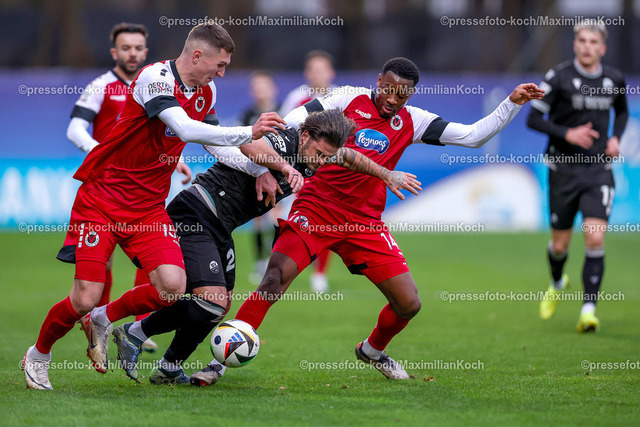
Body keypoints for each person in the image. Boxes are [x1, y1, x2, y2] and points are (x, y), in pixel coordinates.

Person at [205, 57, 544, 382]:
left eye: (402, 94)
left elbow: (473, 136)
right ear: (379, 81)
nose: (393, 99)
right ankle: (220, 360)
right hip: (316, 208)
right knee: (274, 279)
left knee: (408, 303)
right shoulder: (345, 99)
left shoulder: (414, 121)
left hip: (364, 222)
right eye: (388, 89)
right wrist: (268, 164)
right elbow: (293, 122)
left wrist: (511, 103)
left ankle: (372, 350)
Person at [22, 23, 287, 390]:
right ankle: (38, 355)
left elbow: (215, 145)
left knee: (173, 286)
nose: (222, 74)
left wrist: (259, 169)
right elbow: (185, 129)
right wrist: (248, 131)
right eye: (220, 64)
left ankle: (104, 318)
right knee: (84, 297)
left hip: (148, 209)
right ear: (198, 55)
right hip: (102, 200)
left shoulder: (206, 91)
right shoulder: (155, 78)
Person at [110, 108, 421, 385]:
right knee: (208, 300)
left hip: (220, 226)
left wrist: (386, 174)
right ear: (305, 136)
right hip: (197, 212)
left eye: (328, 157)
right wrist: (275, 169)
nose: (322, 162)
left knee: (218, 306)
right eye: (320, 154)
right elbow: (244, 143)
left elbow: (351, 157)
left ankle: (168, 367)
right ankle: (130, 330)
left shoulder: (318, 152)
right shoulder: (284, 142)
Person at [66, 22, 189, 354]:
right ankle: (95, 327)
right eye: (125, 48)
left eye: (137, 48)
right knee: (101, 266)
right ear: (114, 52)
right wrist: (100, 152)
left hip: (145, 187)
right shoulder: (101, 86)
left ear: (145, 51)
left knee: (153, 259)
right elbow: (75, 129)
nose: (132, 53)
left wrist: (174, 159)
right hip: (106, 187)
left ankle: (139, 325)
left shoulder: (157, 85)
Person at [527, 22, 627, 332]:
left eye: (593, 42)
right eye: (582, 40)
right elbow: (533, 118)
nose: (587, 46)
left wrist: (616, 138)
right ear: (575, 44)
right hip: (563, 171)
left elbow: (622, 112)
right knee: (560, 246)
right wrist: (567, 133)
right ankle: (557, 281)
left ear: (602, 48)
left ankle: (588, 309)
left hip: (598, 171)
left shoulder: (614, 79)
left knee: (595, 237)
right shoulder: (558, 77)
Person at [280, 50, 337, 293]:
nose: (318, 74)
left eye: (322, 69)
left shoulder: (341, 98)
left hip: (330, 173)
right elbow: (283, 129)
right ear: (307, 74)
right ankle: (282, 268)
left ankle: (319, 274)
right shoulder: (297, 99)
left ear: (331, 73)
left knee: (327, 223)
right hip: (300, 171)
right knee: (295, 221)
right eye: (314, 70)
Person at [239, 71, 282, 284]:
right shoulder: (247, 115)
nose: (260, 91)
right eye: (256, 87)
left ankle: (275, 264)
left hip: (278, 170)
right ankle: (259, 263)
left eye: (263, 86)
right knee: (257, 219)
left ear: (273, 89)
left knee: (276, 217)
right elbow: (240, 142)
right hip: (254, 171)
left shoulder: (283, 111)